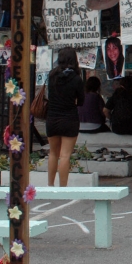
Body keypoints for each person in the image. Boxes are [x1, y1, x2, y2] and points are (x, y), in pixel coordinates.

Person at [46, 47, 85, 187]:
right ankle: (63, 187)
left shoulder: (51, 75)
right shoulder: (76, 79)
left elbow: (48, 96)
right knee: (65, 155)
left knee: (53, 153)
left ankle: (50, 185)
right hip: (69, 119)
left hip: (52, 118)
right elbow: (81, 101)